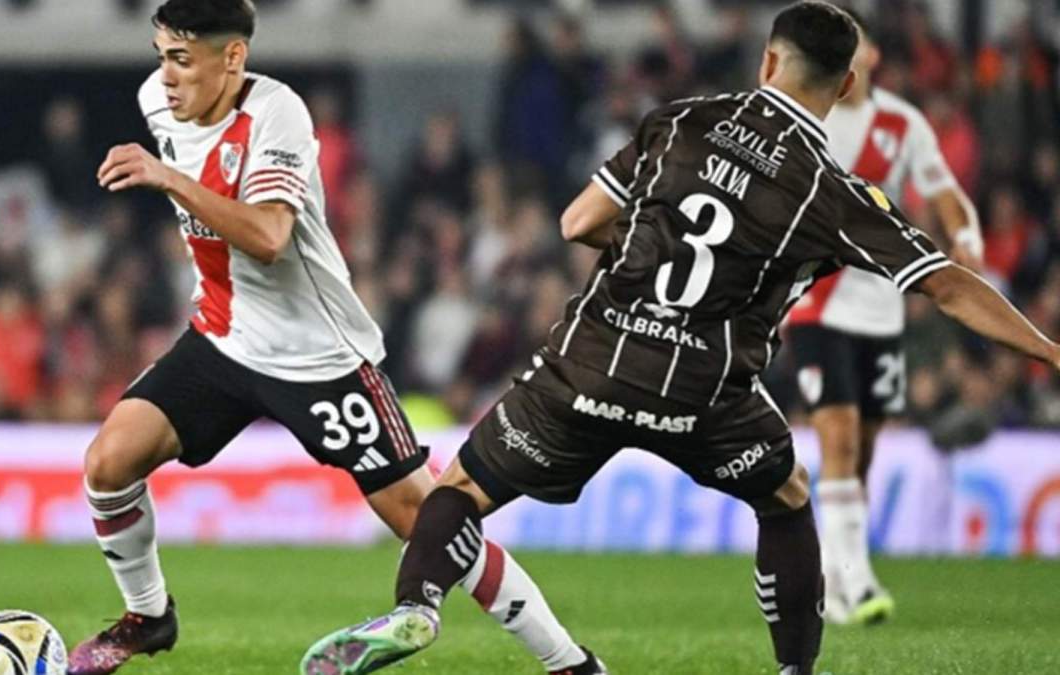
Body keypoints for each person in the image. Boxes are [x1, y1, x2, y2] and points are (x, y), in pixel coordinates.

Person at [300, 3, 1060, 674]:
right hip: (702, 393)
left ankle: (418, 606)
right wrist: (1052, 352)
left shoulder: (681, 121)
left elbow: (577, 223)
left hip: (590, 365)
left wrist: (646, 252)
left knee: (461, 491)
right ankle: (796, 668)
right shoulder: (831, 191)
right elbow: (948, 285)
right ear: (846, 86)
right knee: (787, 497)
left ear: (767, 61)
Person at [66, 2, 602, 675]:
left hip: (318, 357)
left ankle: (571, 663)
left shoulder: (277, 114)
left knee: (426, 520)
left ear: (232, 58)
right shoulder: (158, 101)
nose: (166, 76)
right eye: (160, 56)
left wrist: (168, 177)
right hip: (224, 338)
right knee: (109, 462)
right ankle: (148, 616)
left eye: (182, 58)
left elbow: (269, 236)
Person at [784, 7, 983, 625]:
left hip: (880, 309)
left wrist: (965, 236)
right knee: (839, 435)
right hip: (817, 304)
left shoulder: (902, 123)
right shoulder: (807, 120)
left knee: (864, 450)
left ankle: (835, 573)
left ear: (869, 57)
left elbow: (945, 190)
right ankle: (857, 580)